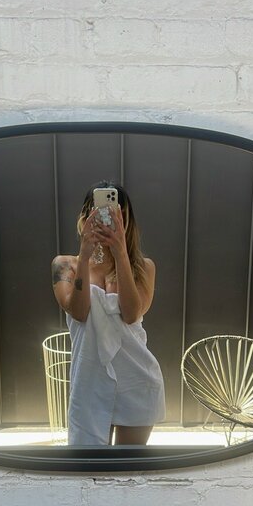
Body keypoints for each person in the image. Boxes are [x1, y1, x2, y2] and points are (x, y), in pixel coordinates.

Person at [51, 181, 165, 446]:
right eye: (99, 213)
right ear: (84, 218)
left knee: (127, 466)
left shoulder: (144, 268)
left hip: (136, 379)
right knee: (89, 466)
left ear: (127, 222)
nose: (107, 221)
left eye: (116, 216)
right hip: (89, 382)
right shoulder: (65, 265)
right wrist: (85, 255)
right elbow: (79, 312)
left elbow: (131, 314)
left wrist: (121, 253)